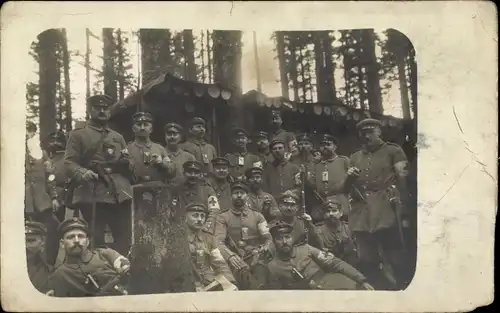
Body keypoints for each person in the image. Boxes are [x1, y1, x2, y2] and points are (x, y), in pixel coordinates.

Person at [64, 94, 133, 256]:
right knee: (95, 238)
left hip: (118, 193)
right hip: (92, 191)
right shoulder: (78, 135)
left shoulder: (118, 137)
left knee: (124, 236)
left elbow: (128, 164)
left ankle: (123, 271)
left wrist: (127, 163)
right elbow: (69, 163)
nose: (102, 111)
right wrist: (83, 172)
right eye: (98, 108)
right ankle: (98, 273)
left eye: (105, 108)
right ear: (89, 110)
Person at [347, 118, 411, 290]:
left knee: (394, 251)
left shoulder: (393, 150)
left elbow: (403, 179)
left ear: (379, 132)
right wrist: (350, 177)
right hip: (363, 210)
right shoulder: (355, 157)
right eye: (362, 133)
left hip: (386, 207)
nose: (366, 136)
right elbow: (347, 187)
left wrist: (403, 208)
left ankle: (402, 287)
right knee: (367, 255)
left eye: (370, 132)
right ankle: (380, 289)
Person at [257, 220, 374, 290]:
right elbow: (279, 295)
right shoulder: (272, 267)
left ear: (292, 238)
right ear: (273, 242)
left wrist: (361, 280)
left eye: (287, 237)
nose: (284, 241)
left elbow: (335, 263)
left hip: (330, 283)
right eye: (279, 238)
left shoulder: (306, 249)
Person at [45, 218, 130, 297]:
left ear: (87, 241)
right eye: (70, 237)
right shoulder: (60, 275)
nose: (76, 240)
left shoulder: (105, 254)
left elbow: (127, 268)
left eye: (81, 236)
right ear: (62, 244)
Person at [214, 181, 272, 289]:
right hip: (235, 259)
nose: (239, 195)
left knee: (261, 271)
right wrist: (230, 256)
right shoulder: (223, 217)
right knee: (243, 273)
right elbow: (218, 241)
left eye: (242, 193)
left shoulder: (257, 215)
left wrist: (264, 248)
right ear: (231, 196)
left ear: (247, 196)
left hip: (255, 256)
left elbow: (268, 238)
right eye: (236, 193)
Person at [25, 123, 61, 266]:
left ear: (33, 134)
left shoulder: (41, 153)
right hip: (20, 202)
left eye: (28, 131)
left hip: (41, 201)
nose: (25, 134)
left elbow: (50, 176)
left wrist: (53, 197)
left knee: (54, 227)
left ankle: (49, 263)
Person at [185, 202, 238, 292]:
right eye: (195, 215)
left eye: (202, 216)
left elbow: (219, 263)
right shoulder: (179, 237)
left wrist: (230, 280)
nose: (199, 219)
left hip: (207, 281)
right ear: (185, 218)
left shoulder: (209, 238)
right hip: (187, 282)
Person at [307, 133, 351, 222]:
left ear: (335, 147)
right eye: (322, 145)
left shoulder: (343, 160)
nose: (325, 147)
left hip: (341, 201)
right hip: (322, 203)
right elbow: (311, 184)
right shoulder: (316, 164)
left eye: (328, 144)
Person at [126, 112, 175, 185]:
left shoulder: (160, 149)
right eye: (139, 125)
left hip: (157, 190)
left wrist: (162, 164)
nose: (142, 128)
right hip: (134, 190)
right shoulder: (127, 149)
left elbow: (171, 174)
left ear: (151, 129)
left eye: (145, 125)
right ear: (133, 128)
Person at [176, 160, 219, 233]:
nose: (192, 175)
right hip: (182, 229)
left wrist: (207, 224)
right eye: (189, 172)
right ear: (184, 174)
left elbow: (214, 210)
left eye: (196, 173)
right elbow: (174, 211)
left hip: (203, 227)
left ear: (200, 174)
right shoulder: (178, 190)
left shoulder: (207, 189)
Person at [315, 196, 359, 267]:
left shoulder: (349, 228)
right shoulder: (318, 231)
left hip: (352, 265)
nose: (331, 214)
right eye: (328, 211)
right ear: (324, 215)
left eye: (334, 211)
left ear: (341, 213)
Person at [43, 130, 69, 222]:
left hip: (65, 195)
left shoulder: (68, 158)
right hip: (48, 196)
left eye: (58, 141)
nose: (55, 143)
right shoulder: (45, 158)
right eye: (52, 141)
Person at [164, 122, 196, 187]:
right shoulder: (159, 154)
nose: (172, 137)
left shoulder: (189, 157)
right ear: (165, 136)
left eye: (175, 134)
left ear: (180, 137)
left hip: (185, 192)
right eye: (169, 134)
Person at [25, 221, 52, 294]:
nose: (25, 246)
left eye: (30, 241)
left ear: (42, 241)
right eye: (21, 241)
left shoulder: (49, 272)